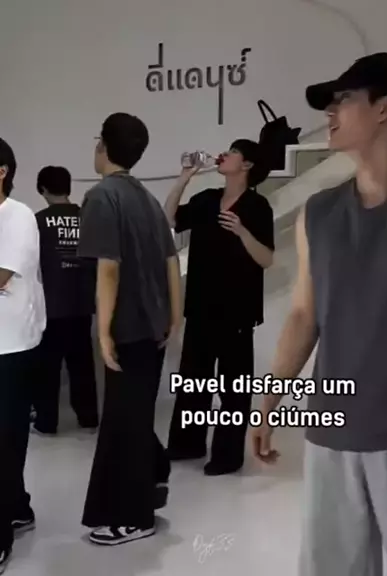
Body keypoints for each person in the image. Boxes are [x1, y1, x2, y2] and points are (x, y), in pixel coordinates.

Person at [252, 53, 387, 576]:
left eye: (344, 99)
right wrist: (270, 401)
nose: (329, 113)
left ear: (386, 108)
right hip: (332, 431)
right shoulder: (319, 213)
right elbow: (303, 314)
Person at [78, 112, 182, 546]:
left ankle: (136, 517)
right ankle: (151, 481)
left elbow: (108, 269)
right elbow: (171, 261)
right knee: (133, 418)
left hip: (127, 329)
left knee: (126, 423)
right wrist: (175, 316)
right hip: (152, 328)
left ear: (103, 146)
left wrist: (103, 332)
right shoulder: (147, 199)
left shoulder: (102, 197)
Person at [165, 139, 275, 476]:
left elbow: (266, 259)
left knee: (233, 389)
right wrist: (185, 176)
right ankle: (186, 444)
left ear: (247, 165)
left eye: (235, 152)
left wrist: (242, 232)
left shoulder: (257, 207)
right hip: (200, 306)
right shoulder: (206, 199)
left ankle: (228, 456)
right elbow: (169, 217)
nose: (225, 154)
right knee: (193, 382)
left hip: (237, 313)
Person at [0, 138, 46, 573]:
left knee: (6, 438)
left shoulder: (19, 216)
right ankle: (17, 506)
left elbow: (2, 275)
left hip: (11, 345)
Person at [33, 166, 98, 434]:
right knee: (82, 363)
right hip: (83, 303)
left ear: (43, 189)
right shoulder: (87, 218)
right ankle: (89, 418)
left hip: (51, 304)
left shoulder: (38, 221)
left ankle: (46, 422)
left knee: (47, 367)